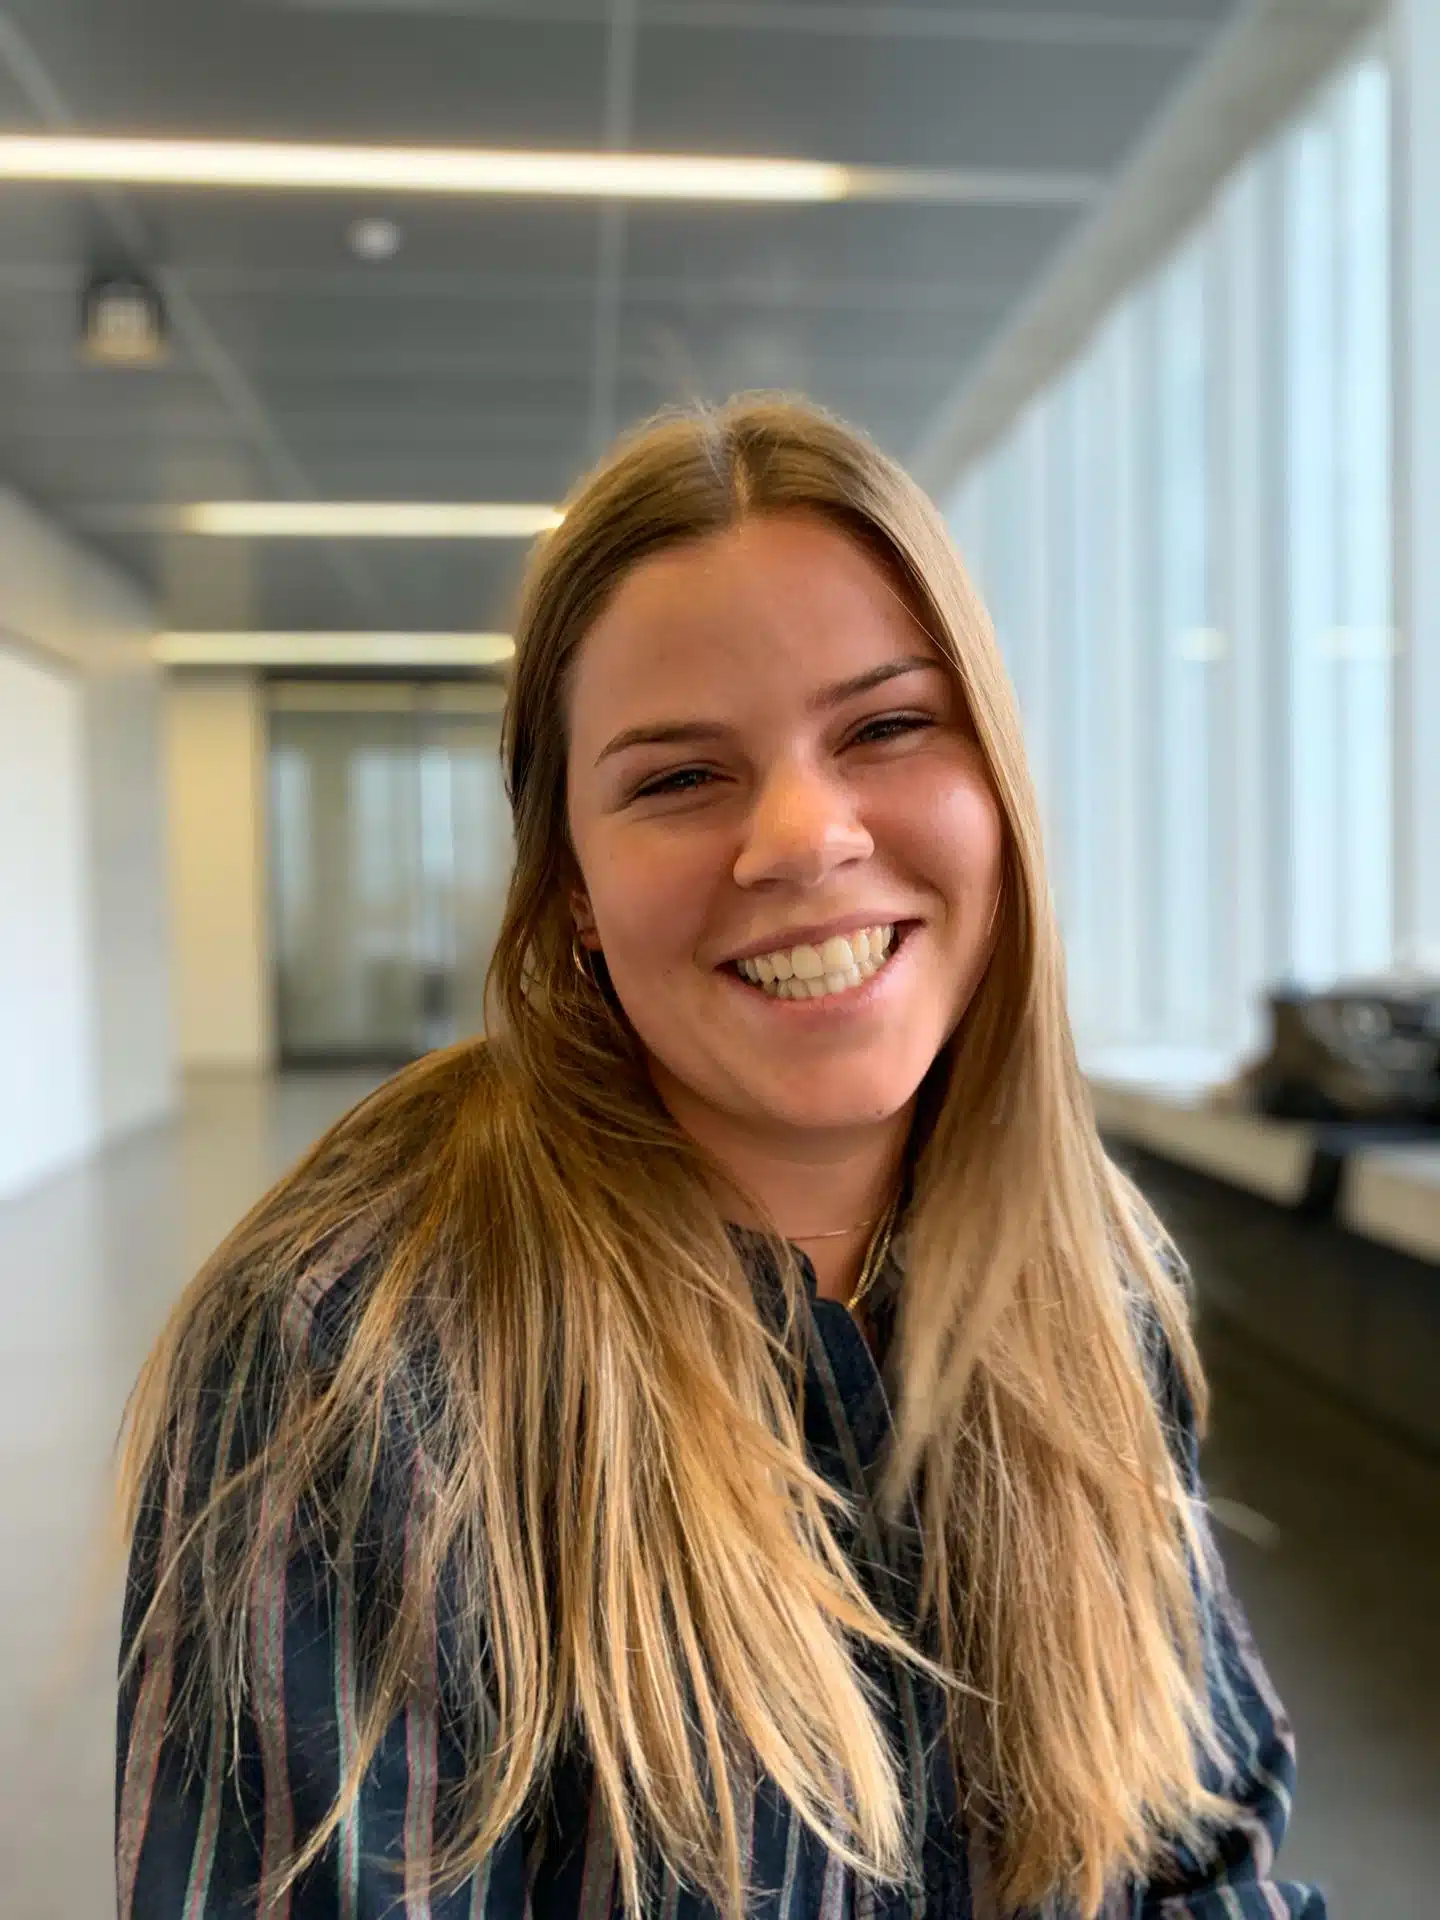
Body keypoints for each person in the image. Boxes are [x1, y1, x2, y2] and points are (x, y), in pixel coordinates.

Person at [115, 398, 1322, 1919]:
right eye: (680, 778)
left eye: (886, 727)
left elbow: (1198, 1855)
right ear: (571, 886)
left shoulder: (1092, 1280)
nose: (804, 838)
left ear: (999, 789)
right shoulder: (359, 1358)